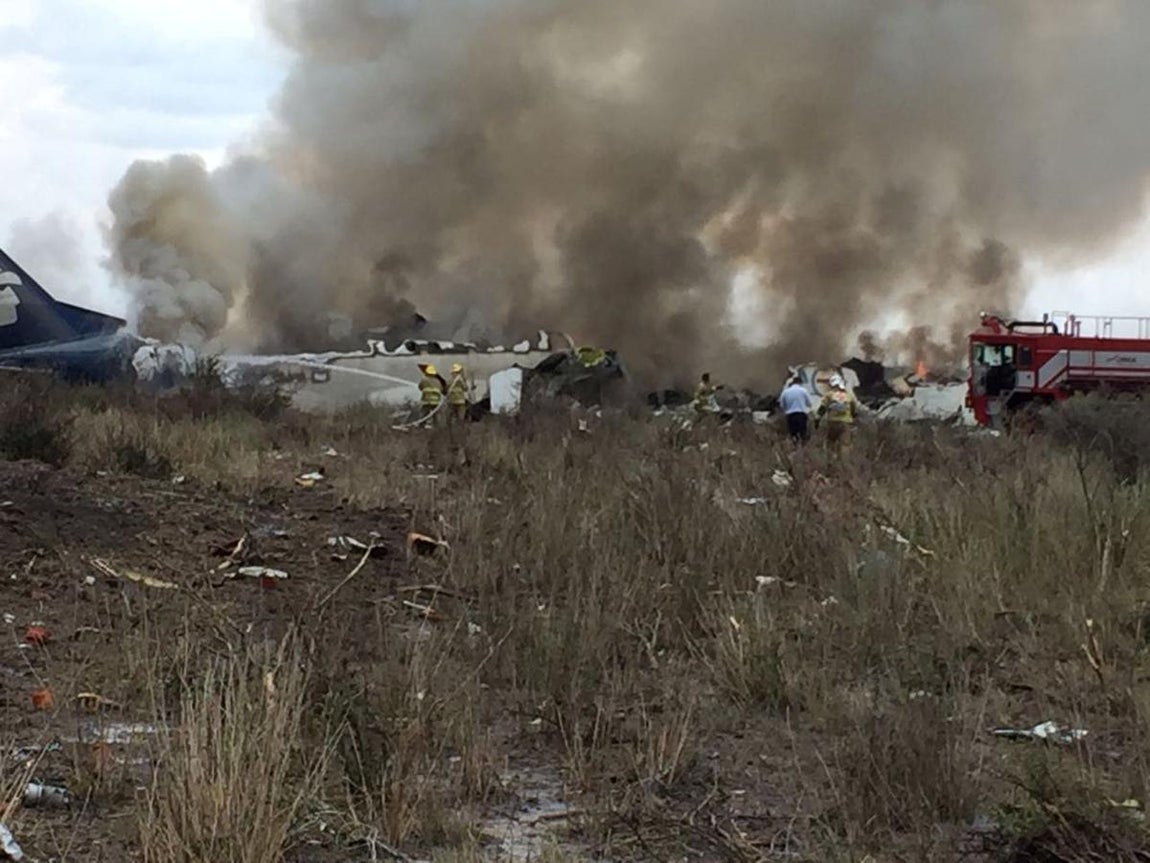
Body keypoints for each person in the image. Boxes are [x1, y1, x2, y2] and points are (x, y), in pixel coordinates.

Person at [817, 374, 859, 447]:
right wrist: (853, 416)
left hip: (833, 421)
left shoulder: (829, 395)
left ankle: (830, 457)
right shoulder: (848, 395)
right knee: (845, 444)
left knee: (830, 443)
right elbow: (854, 410)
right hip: (845, 422)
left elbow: (822, 408)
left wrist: (817, 419)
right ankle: (844, 457)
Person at [779, 376, 814, 443]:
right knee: (802, 434)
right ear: (800, 383)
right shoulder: (803, 391)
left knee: (793, 434)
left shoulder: (785, 392)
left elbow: (782, 405)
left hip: (790, 415)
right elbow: (809, 403)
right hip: (801, 414)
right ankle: (802, 448)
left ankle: (795, 447)